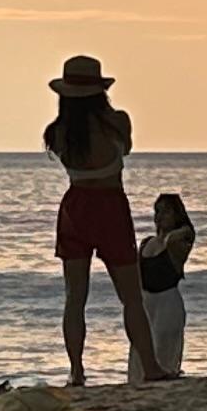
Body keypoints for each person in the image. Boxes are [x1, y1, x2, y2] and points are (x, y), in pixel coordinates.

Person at [42, 55, 163, 387]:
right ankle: (150, 366)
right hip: (110, 205)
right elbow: (125, 151)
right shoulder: (117, 122)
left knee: (75, 297)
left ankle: (77, 371)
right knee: (131, 297)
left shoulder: (58, 131)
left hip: (75, 206)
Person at [139, 192, 197, 378]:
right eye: (157, 212)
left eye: (166, 212)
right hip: (147, 303)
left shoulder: (178, 242)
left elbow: (183, 234)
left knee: (165, 349)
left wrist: (170, 232)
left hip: (167, 301)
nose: (160, 217)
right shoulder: (146, 243)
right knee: (142, 351)